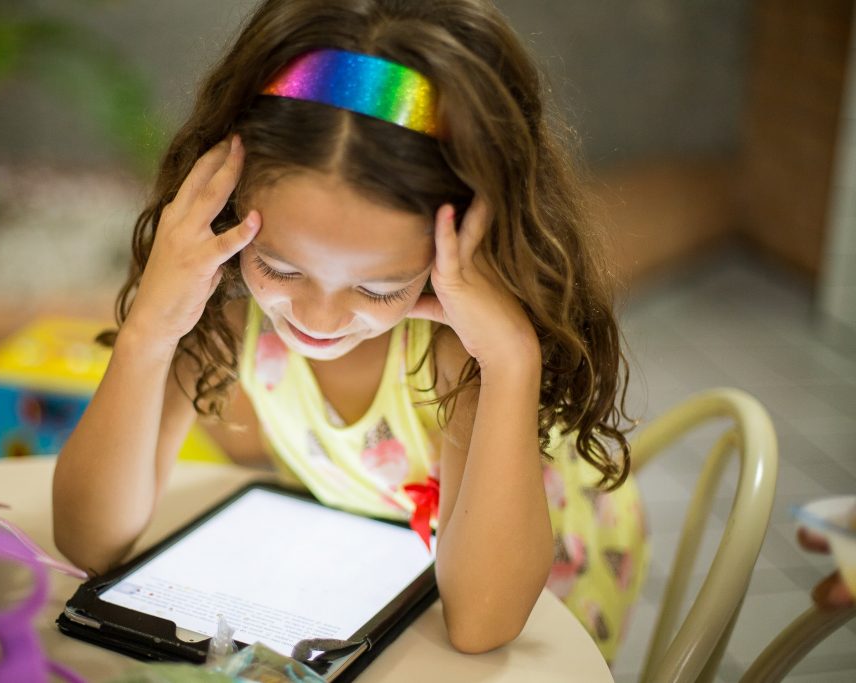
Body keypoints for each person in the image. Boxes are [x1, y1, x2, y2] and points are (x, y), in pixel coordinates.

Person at [53, 0, 648, 661]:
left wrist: (510, 359)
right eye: (279, 265)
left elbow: (482, 622)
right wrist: (150, 329)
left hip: (538, 589)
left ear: (463, 247)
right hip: (374, 565)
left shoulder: (460, 346)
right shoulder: (224, 301)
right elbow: (89, 540)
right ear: (229, 205)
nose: (318, 318)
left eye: (377, 286)